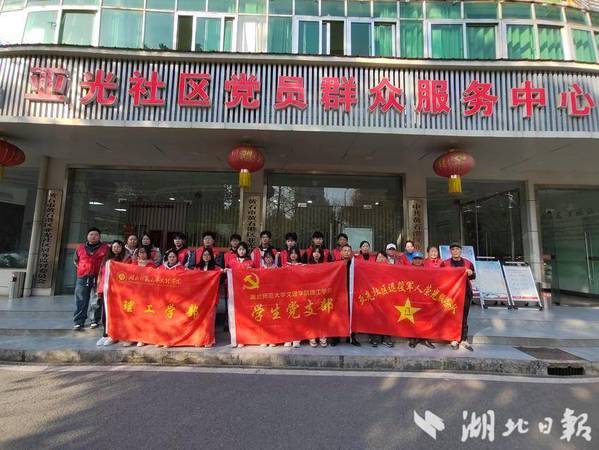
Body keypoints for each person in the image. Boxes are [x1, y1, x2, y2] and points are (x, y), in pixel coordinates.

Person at [73, 227, 109, 330]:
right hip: (83, 277)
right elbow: (76, 260)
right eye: (91, 234)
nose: (93, 236)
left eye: (96, 235)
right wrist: (83, 268)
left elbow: (108, 260)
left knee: (96, 299)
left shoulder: (105, 248)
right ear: (87, 236)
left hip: (98, 277)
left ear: (99, 237)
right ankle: (79, 321)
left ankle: (94, 320)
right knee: (81, 299)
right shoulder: (80, 248)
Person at [442, 243, 476, 351]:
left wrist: (470, 273)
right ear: (450, 251)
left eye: (457, 249)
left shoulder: (468, 263)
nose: (455, 251)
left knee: (464, 316)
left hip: (465, 292)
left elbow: (474, 276)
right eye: (453, 249)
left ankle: (464, 339)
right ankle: (453, 339)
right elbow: (440, 276)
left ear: (461, 250)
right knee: (452, 316)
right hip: (451, 294)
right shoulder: (445, 263)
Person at [95, 240, 126, 347]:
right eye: (114, 247)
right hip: (106, 289)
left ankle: (114, 335)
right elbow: (101, 274)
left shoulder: (125, 259)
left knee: (116, 313)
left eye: (119, 247)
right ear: (111, 248)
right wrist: (99, 289)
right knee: (105, 313)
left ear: (122, 248)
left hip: (118, 291)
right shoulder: (106, 259)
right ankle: (105, 334)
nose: (116, 249)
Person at [329, 244, 361, 347]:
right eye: (345, 250)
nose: (347, 252)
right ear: (341, 252)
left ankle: (351, 338)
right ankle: (335, 338)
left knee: (352, 315)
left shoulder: (355, 264)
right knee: (337, 315)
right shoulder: (336, 264)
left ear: (351, 253)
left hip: (351, 292)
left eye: (349, 251)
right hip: (338, 293)